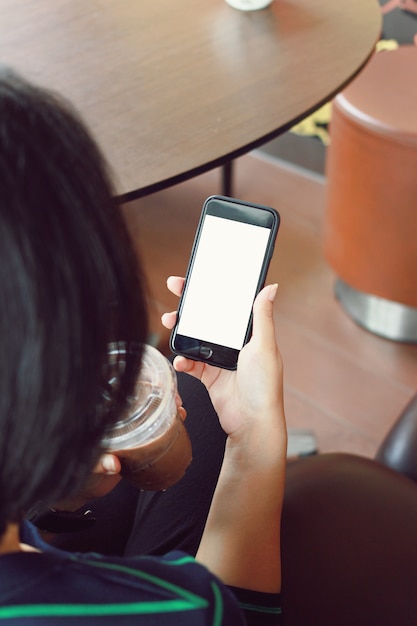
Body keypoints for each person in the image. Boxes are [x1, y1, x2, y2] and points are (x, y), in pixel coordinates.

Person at [0, 67, 286, 625]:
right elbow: (236, 613)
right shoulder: (184, 610)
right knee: (197, 408)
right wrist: (256, 441)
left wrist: (53, 494)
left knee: (191, 400)